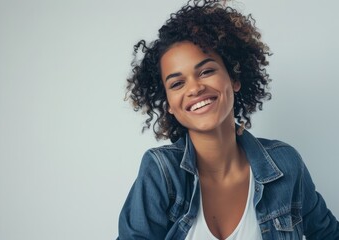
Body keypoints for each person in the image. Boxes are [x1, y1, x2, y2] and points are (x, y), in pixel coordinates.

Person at [117, 0, 339, 239]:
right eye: (177, 83)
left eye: (206, 71)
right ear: (169, 104)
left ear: (234, 78)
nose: (194, 88)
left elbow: (328, 233)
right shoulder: (161, 172)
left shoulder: (285, 164)